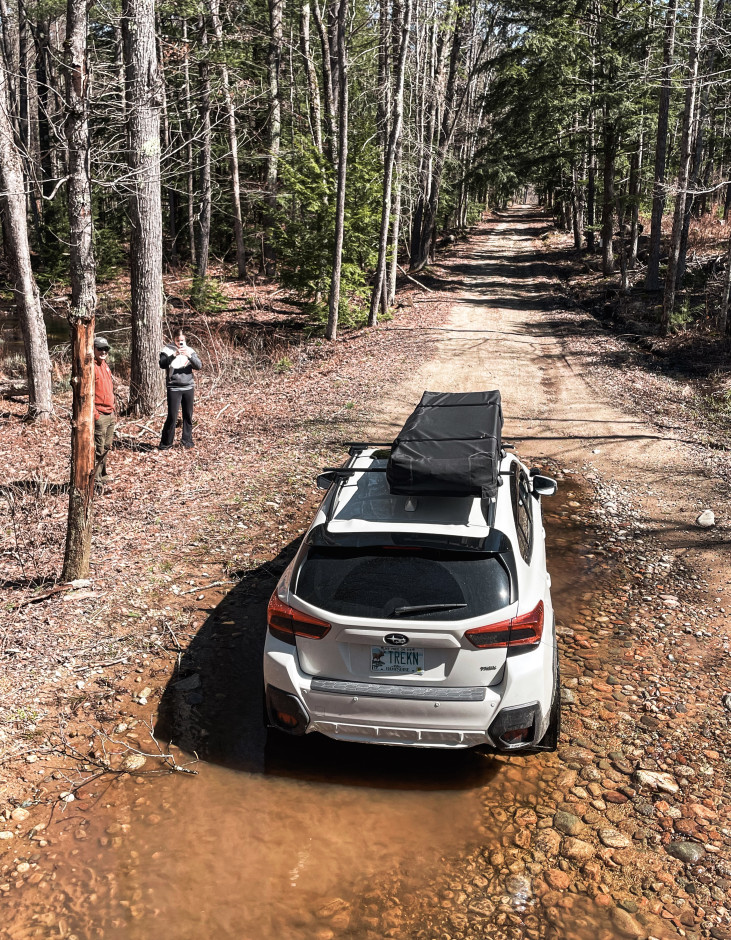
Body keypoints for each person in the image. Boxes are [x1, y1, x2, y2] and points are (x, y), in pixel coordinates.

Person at [159, 327, 202, 450]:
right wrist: (174, 354)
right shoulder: (167, 349)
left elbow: (199, 366)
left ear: (185, 340)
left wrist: (189, 356)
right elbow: (162, 364)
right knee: (172, 416)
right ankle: (166, 444)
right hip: (173, 387)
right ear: (174, 339)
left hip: (188, 386)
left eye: (182, 340)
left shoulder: (190, 350)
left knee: (188, 415)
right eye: (178, 340)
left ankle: (187, 441)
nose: (180, 342)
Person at [93, 336, 116, 484]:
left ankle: (103, 474)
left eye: (105, 349)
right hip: (99, 415)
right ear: (93, 349)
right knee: (98, 449)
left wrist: (113, 411)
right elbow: (86, 394)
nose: (103, 352)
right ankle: (95, 479)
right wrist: (95, 415)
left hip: (110, 413)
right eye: (100, 349)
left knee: (107, 447)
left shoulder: (105, 366)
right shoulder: (91, 367)